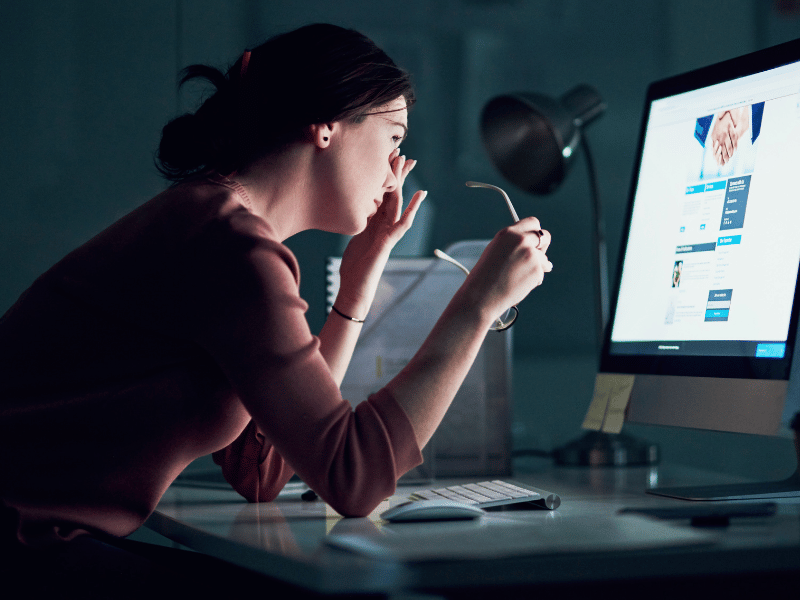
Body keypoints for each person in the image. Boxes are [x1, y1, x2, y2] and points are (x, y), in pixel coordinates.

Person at [0, 22, 551, 579]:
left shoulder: (212, 223)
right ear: (328, 126)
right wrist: (478, 303)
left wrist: (359, 279)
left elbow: (262, 472)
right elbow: (353, 479)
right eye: (394, 138)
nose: (394, 174)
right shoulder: (231, 247)